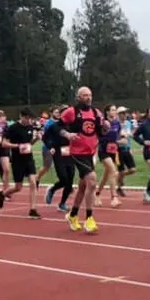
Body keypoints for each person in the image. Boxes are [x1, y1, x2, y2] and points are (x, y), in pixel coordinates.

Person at [57, 87, 103, 234]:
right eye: (85, 95)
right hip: (78, 152)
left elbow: (100, 131)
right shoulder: (71, 112)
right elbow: (56, 126)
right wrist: (67, 134)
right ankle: (89, 219)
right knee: (92, 180)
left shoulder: (96, 112)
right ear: (78, 97)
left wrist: (106, 128)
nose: (88, 98)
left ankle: (73, 215)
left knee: (83, 186)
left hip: (90, 153)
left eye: (90, 95)